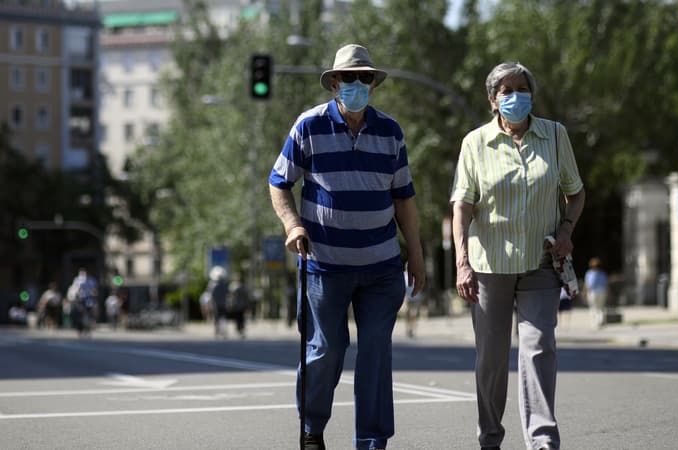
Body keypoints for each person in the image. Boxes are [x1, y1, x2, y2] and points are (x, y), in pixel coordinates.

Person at [269, 44, 425, 450]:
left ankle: (372, 441)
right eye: (350, 78)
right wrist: (292, 225)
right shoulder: (309, 126)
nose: (358, 85)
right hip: (324, 266)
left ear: (373, 84)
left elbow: (404, 198)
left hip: (382, 267)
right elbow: (279, 182)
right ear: (334, 82)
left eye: (365, 78)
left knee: (375, 355)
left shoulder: (390, 131)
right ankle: (312, 429)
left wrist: (418, 256)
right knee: (324, 352)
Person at [450, 61, 585, 450]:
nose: (514, 96)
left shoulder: (555, 136)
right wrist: (462, 263)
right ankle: (490, 439)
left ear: (532, 94)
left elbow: (575, 192)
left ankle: (543, 441)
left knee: (540, 348)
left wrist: (565, 231)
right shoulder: (475, 143)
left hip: (541, 262)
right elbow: (462, 206)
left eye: (521, 88)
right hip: (490, 267)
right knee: (491, 360)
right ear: (492, 100)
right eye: (505, 91)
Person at [67, 268, 99, 337]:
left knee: (88, 316)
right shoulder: (77, 280)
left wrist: (93, 295)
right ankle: (80, 331)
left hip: (88, 301)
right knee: (79, 316)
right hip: (80, 300)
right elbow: (74, 290)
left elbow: (95, 291)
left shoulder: (91, 281)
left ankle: (87, 331)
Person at [584, 257, 609, 330]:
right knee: (601, 307)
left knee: (593, 307)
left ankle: (594, 323)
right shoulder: (603, 273)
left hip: (593, 292)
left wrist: (585, 292)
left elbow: (588, 284)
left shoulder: (589, 273)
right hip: (602, 291)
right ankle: (600, 320)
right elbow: (606, 284)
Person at [206, 266, 229, 338]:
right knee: (223, 318)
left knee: (216, 318)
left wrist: (208, 304)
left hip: (215, 304)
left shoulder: (212, 285)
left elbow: (210, 296)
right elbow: (228, 294)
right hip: (223, 304)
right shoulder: (224, 285)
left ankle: (217, 331)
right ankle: (224, 331)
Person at [227, 272, 249, 339]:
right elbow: (246, 296)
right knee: (241, 318)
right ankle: (241, 329)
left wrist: (229, 303)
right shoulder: (243, 286)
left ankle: (239, 329)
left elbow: (230, 296)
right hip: (241, 305)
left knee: (238, 318)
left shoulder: (232, 286)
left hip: (236, 305)